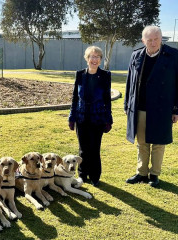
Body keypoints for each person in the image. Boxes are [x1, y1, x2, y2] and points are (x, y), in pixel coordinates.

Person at [124, 26, 178, 187]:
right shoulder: (136, 55)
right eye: (149, 40)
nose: (153, 42)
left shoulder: (174, 55)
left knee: (158, 143)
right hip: (140, 107)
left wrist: (176, 109)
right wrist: (127, 104)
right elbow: (130, 82)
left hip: (163, 108)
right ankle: (141, 173)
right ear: (143, 40)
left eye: (156, 39)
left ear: (162, 38)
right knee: (142, 142)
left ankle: (154, 174)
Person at [68, 46, 113, 187]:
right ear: (87, 59)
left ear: (100, 60)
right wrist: (72, 117)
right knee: (83, 149)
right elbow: (75, 97)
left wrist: (108, 119)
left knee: (94, 148)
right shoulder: (80, 74)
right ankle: (82, 174)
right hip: (81, 118)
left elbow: (107, 99)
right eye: (91, 56)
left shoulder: (105, 75)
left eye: (97, 57)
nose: (94, 59)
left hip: (97, 119)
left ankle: (95, 176)